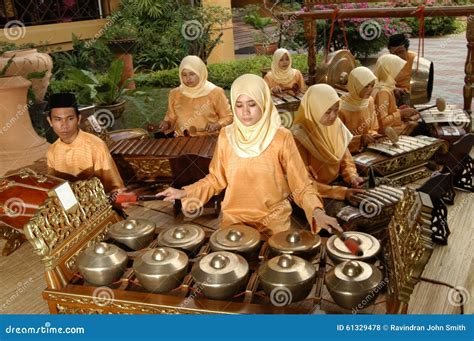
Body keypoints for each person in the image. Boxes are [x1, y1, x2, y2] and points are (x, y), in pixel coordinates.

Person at [158, 74, 341, 237]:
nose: (245, 112)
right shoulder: (226, 136)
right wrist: (184, 192)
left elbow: (300, 184)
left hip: (274, 224)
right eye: (239, 105)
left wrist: (317, 212)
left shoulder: (281, 137)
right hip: (234, 221)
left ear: (263, 102)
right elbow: (215, 179)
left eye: (252, 104)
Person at [291, 84, 365, 215]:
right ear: (314, 109)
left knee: (373, 193)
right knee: (348, 215)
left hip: (337, 184)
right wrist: (341, 192)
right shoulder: (298, 137)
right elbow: (304, 182)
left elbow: (346, 160)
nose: (333, 116)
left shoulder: (336, 126)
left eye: (336, 110)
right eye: (327, 111)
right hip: (312, 193)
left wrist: (352, 177)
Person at [46, 93, 124, 193]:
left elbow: (115, 187)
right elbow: (52, 185)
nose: (64, 125)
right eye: (58, 119)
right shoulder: (52, 151)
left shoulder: (96, 145)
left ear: (78, 119)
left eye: (70, 118)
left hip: (98, 204)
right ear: (50, 121)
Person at [159, 55, 233, 136]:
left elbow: (228, 117)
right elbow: (171, 117)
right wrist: (167, 123)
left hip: (208, 138)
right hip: (181, 138)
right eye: (184, 75)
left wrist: (217, 124)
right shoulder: (174, 93)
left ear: (200, 73)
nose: (188, 78)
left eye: (192, 74)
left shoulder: (216, 92)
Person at [371, 54, 420, 136]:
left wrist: (401, 111)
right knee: (423, 126)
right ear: (389, 70)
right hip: (387, 132)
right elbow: (382, 122)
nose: (401, 73)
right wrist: (401, 114)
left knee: (417, 121)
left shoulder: (382, 85)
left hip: (390, 127)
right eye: (399, 70)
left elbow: (387, 113)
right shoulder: (383, 92)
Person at [339, 66, 380, 153]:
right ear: (355, 85)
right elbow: (338, 139)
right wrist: (359, 140)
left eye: (372, 86)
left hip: (368, 147)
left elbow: (374, 127)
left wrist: (372, 136)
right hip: (347, 153)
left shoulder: (370, 101)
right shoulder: (340, 108)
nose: (370, 90)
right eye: (366, 86)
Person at [388, 33, 417, 105]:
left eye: (401, 52)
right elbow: (379, 83)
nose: (397, 56)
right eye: (394, 53)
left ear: (407, 49)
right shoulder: (385, 61)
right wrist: (394, 89)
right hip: (390, 95)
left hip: (407, 96)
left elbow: (420, 82)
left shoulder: (415, 59)